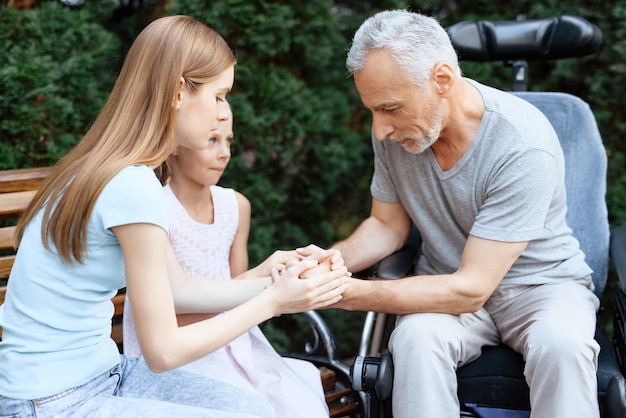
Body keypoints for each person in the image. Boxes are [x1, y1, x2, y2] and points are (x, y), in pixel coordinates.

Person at [0, 15, 348, 418]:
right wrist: (273, 301)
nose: (224, 113)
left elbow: (177, 291)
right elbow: (164, 351)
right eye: (219, 96)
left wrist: (270, 276)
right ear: (179, 91)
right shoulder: (132, 185)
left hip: (102, 374)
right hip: (52, 400)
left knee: (255, 407)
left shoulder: (116, 170)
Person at [301, 9, 600, 418]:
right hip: (444, 282)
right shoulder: (397, 135)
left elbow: (472, 287)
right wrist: (328, 263)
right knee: (415, 340)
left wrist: (348, 293)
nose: (379, 130)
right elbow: (387, 227)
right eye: (373, 110)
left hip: (541, 288)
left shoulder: (523, 144)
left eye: (389, 108)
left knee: (563, 347)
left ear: (442, 80)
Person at [123, 101, 329, 417]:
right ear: (176, 144)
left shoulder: (235, 206)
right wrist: (271, 292)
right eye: (212, 141)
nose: (224, 153)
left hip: (233, 339)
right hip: (184, 350)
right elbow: (170, 315)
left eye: (229, 141)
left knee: (300, 400)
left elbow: (233, 289)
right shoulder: (155, 209)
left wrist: (274, 271)